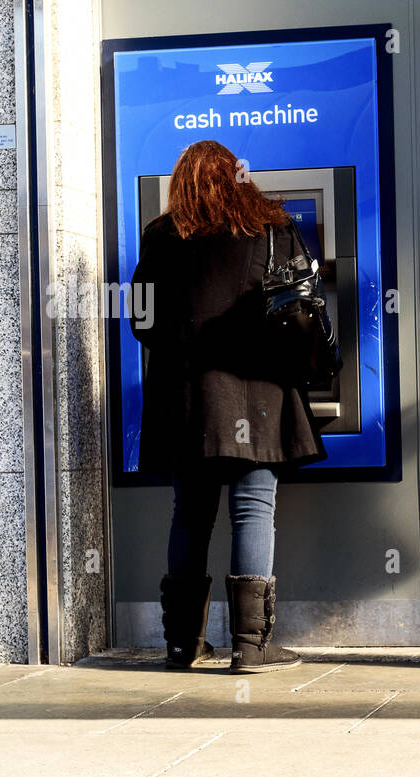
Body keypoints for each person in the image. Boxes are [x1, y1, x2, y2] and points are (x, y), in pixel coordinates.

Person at [131, 139, 324, 674]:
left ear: (183, 184)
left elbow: (141, 322)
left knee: (189, 516)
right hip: (257, 391)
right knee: (253, 509)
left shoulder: (161, 236)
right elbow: (304, 304)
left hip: (187, 399)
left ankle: (181, 646)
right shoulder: (272, 227)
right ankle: (251, 647)